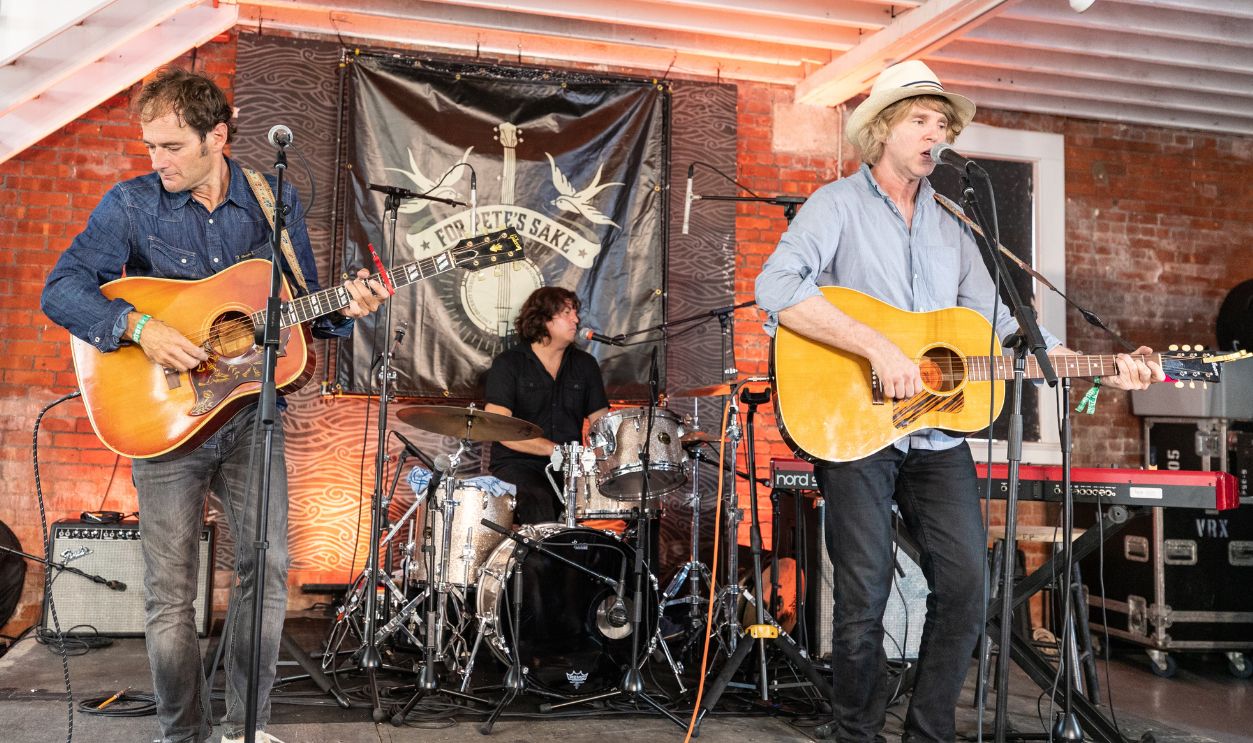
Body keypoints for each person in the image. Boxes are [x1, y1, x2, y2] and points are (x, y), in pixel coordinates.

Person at [754, 60, 1163, 742]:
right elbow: (776, 286)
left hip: (935, 437)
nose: (934, 133)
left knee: (970, 587)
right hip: (854, 426)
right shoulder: (836, 205)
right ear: (882, 130)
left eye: (941, 123)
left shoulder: (953, 223)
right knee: (863, 597)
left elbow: (1002, 325)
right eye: (919, 119)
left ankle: (928, 733)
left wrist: (1099, 368)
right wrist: (876, 348)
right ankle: (856, 734)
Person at [40, 68, 390, 743]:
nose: (157, 160)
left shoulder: (272, 198)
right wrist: (139, 327)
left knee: (269, 568)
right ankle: (183, 734)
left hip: (250, 415)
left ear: (217, 137)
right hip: (164, 423)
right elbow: (62, 289)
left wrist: (346, 308)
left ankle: (245, 729)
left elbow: (301, 305)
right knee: (171, 592)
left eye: (171, 146)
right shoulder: (131, 204)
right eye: (151, 146)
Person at [484, 287, 610, 524]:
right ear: (542, 319)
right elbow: (498, 427)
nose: (576, 320)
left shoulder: (585, 365)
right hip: (517, 465)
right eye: (566, 313)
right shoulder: (509, 364)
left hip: (569, 469)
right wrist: (554, 450)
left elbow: (602, 424)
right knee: (538, 498)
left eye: (575, 313)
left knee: (635, 500)